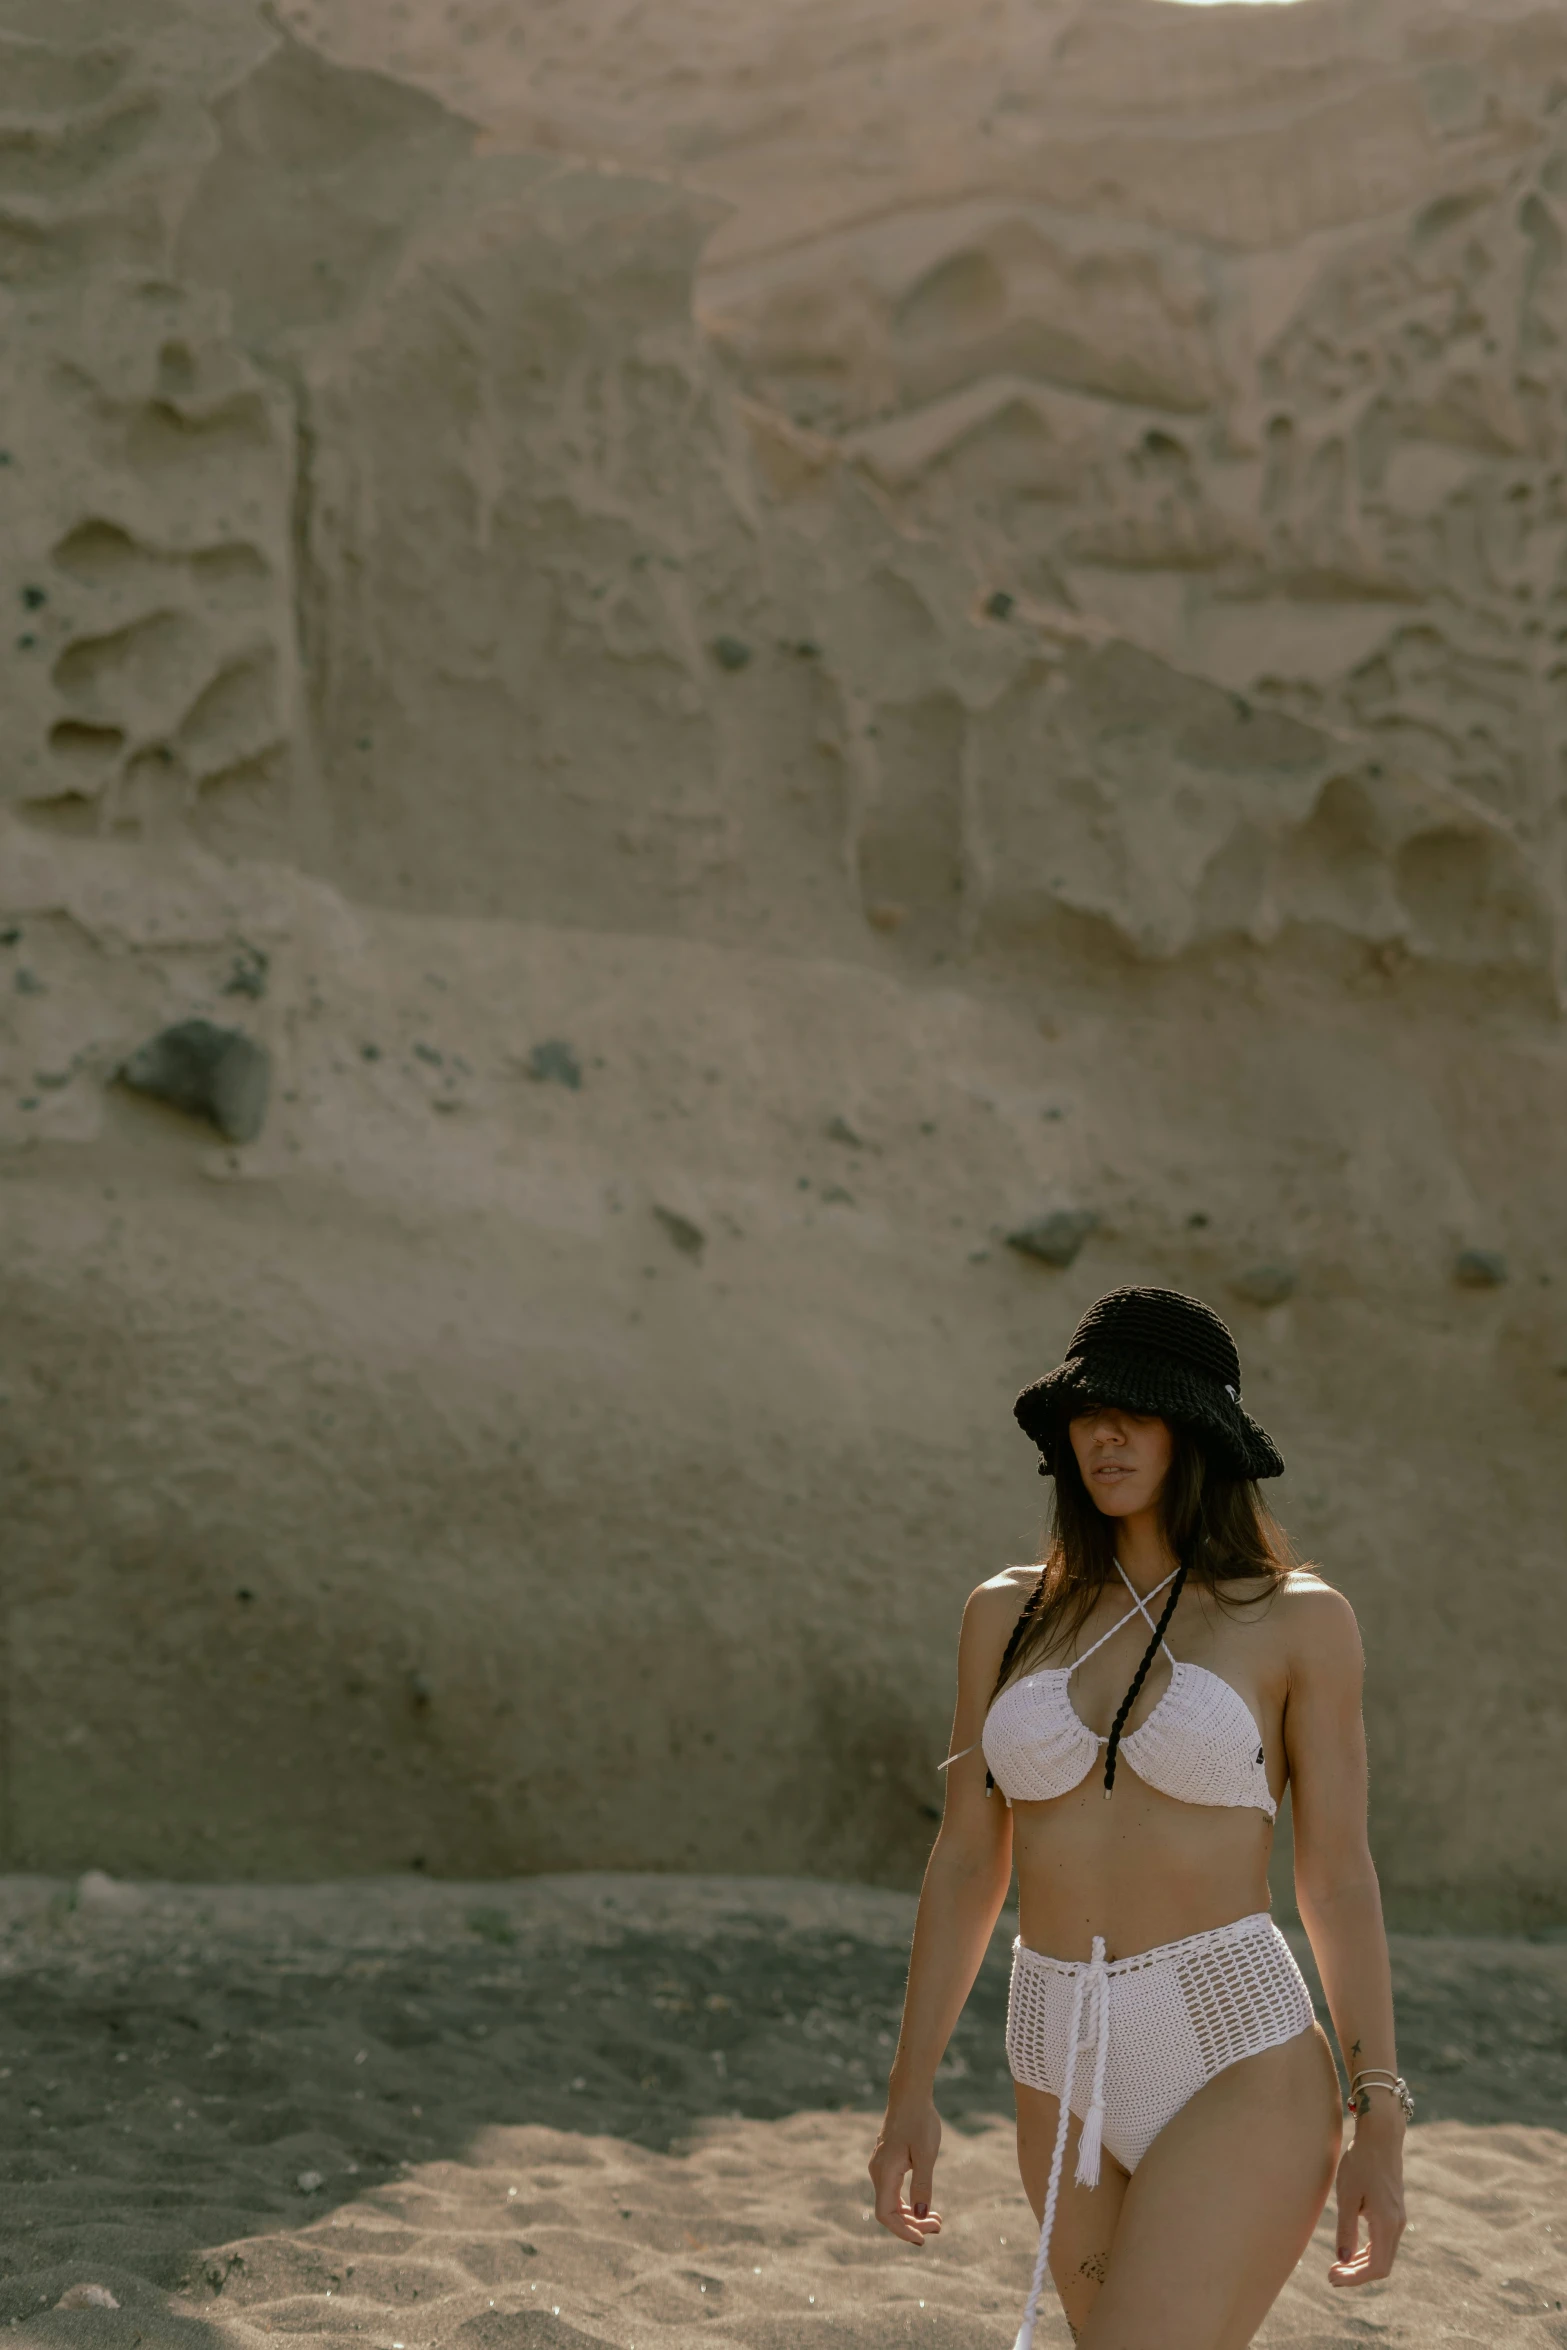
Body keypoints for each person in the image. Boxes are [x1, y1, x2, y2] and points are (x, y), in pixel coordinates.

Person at [869, 1286, 1407, 2350]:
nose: (1103, 1435)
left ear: (1195, 1429)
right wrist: (909, 2094)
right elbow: (968, 1859)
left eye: (1136, 1411)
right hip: (1051, 2051)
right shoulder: (1005, 1612)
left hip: (1233, 2049)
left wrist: (1378, 2113)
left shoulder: (1296, 1619)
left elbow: (1336, 1874)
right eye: (1084, 1412)